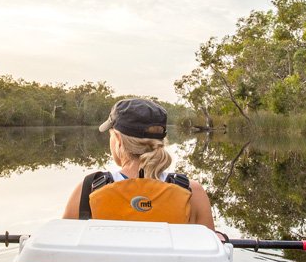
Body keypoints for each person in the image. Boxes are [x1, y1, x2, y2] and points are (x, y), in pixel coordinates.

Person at [63, 98, 216, 230]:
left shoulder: (88, 189)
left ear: (118, 139)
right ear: (161, 140)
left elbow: (61, 249)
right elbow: (210, 254)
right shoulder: (192, 192)